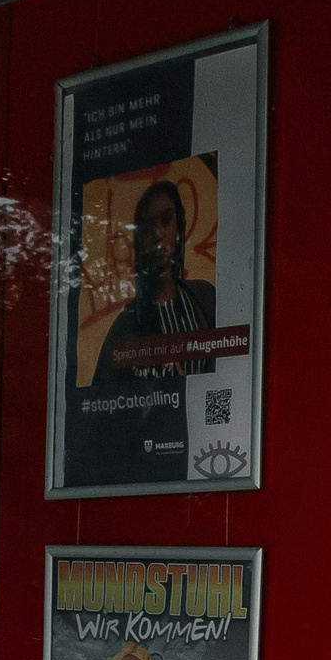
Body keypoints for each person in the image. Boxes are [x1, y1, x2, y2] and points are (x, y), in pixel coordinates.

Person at [68, 177, 212, 486]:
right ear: (139, 241)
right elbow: (100, 421)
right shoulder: (126, 327)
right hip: (153, 473)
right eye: (147, 228)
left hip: (207, 458)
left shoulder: (205, 300)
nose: (158, 234)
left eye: (166, 221)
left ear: (180, 227)